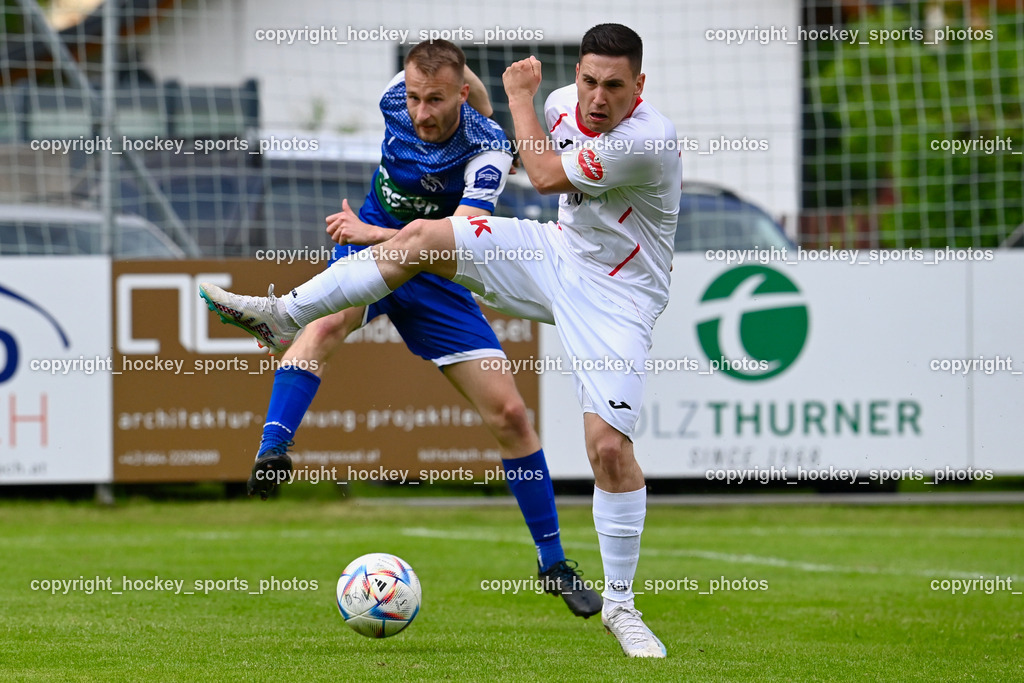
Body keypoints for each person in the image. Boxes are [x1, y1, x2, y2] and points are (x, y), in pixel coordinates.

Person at [200, 24, 680, 658]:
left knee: (605, 450)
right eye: (588, 80)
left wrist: (515, 99)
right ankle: (282, 316)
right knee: (415, 247)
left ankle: (618, 603)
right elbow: (490, 127)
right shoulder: (551, 102)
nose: (595, 97)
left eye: (613, 86)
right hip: (549, 255)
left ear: (638, 86)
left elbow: (536, 172)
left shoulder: (646, 140)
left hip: (618, 297)